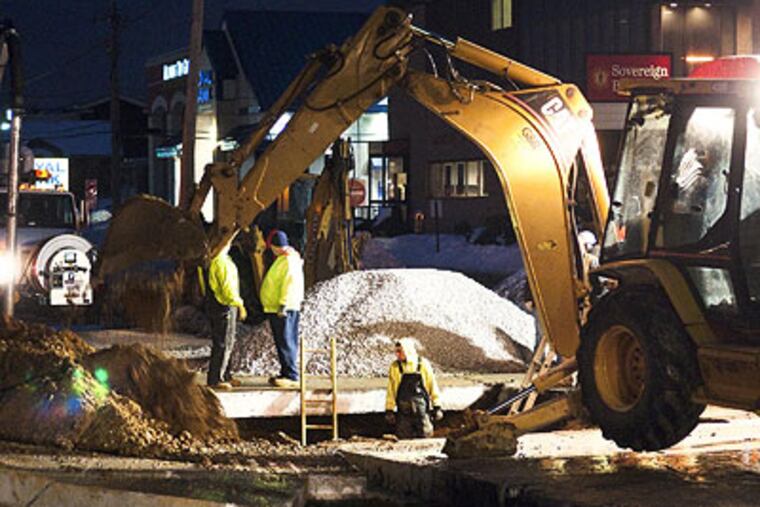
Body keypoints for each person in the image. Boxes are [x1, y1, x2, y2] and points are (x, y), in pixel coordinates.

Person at [260, 230, 304, 388]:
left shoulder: (288, 261)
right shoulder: (285, 258)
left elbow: (288, 283)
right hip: (278, 307)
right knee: (283, 341)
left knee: (286, 340)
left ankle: (292, 375)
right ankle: (286, 372)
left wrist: (283, 304)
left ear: (274, 246)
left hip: (284, 308)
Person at [203, 234, 247, 390]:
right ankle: (217, 378)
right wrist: (240, 305)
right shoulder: (221, 263)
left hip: (215, 305)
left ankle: (226, 375)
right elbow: (228, 289)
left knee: (224, 342)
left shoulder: (213, 262)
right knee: (224, 343)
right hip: (225, 306)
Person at [385, 339, 443, 438]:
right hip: (404, 412)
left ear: (407, 350)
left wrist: (437, 406)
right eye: (396, 351)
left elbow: (432, 385)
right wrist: (389, 409)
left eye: (400, 351)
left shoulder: (423, 364)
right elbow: (391, 390)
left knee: (426, 435)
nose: (397, 354)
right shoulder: (395, 367)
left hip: (422, 411)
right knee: (403, 437)